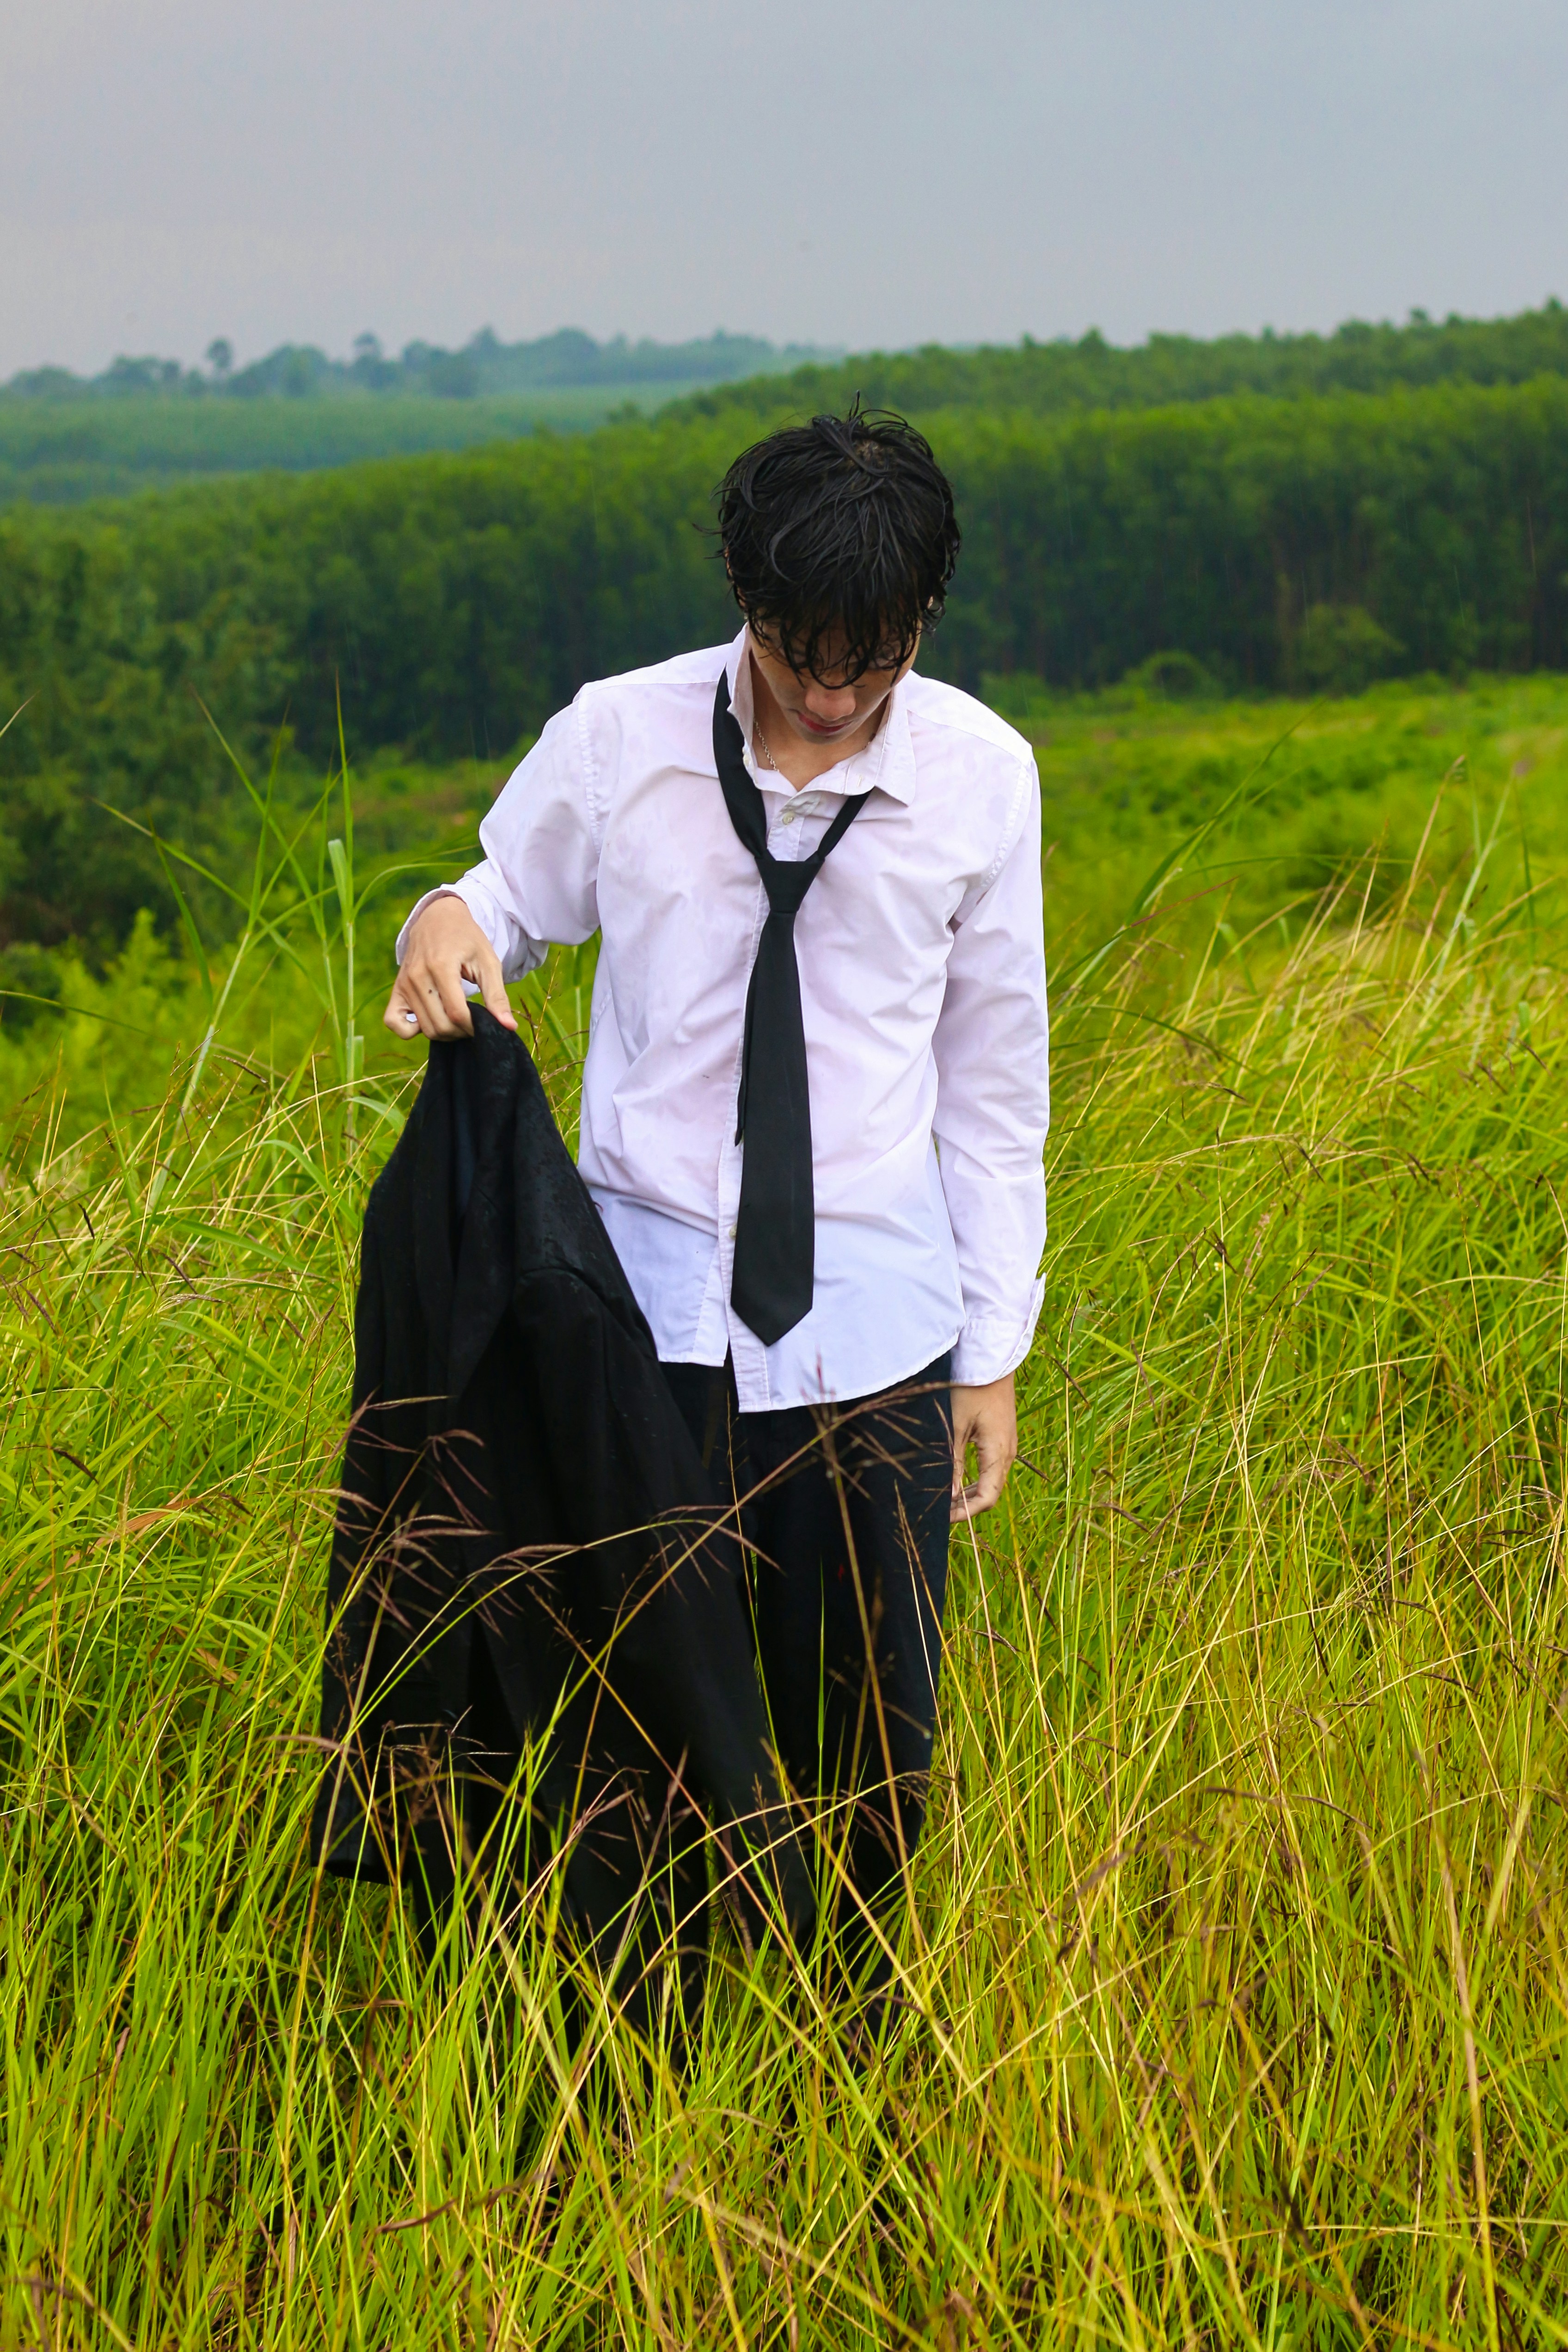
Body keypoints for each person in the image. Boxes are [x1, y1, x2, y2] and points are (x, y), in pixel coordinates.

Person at [384, 407, 1049, 2017]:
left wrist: (993, 1349)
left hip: (875, 1343)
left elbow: (993, 1081)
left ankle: (854, 2080)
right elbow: (502, 895)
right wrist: (441, 925)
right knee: (634, 1747)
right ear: (742, 598)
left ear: (922, 624)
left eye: (865, 664)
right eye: (795, 655)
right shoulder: (620, 736)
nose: (826, 698)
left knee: (869, 1753)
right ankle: (638, 2077)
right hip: (643, 1330)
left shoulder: (982, 775)